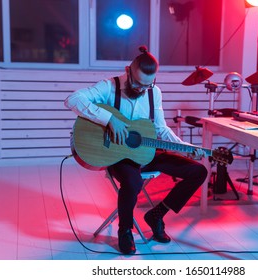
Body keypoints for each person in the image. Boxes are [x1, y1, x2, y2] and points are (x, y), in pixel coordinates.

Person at [64, 46, 207, 255]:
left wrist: (185, 148)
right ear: (128, 70)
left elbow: (160, 128)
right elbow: (73, 100)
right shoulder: (109, 86)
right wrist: (109, 119)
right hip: (117, 156)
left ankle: (156, 215)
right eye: (138, 83)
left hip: (144, 151)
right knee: (133, 181)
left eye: (148, 85)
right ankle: (125, 231)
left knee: (198, 172)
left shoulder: (153, 92)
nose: (142, 89)